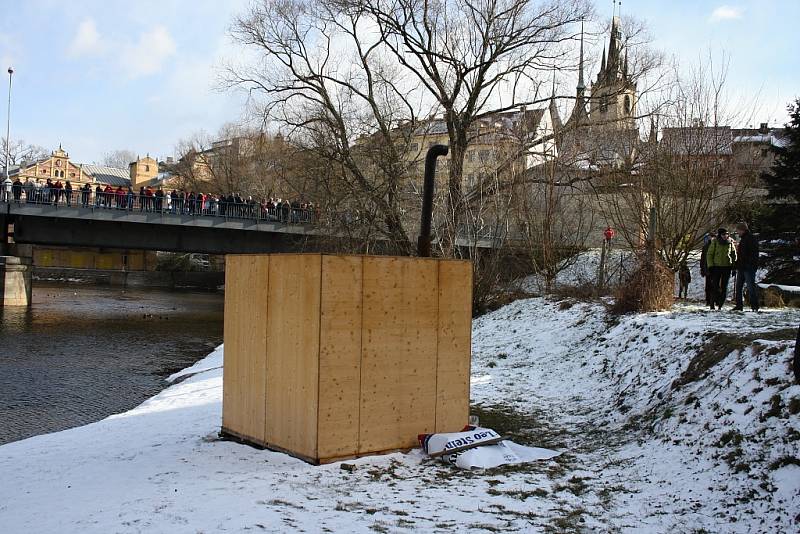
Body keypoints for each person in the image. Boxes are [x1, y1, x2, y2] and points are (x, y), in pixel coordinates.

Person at [706, 228, 737, 310]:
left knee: (724, 287)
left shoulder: (730, 243)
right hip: (716, 267)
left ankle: (720, 305)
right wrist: (711, 266)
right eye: (723, 234)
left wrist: (734, 267)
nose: (725, 236)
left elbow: (734, 255)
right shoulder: (715, 242)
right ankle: (712, 304)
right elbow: (709, 254)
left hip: (727, 267)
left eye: (727, 234)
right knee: (715, 286)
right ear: (720, 235)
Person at [733, 222, 759, 312]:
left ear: (742, 230)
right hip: (742, 267)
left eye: (738, 230)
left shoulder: (750, 239)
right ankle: (739, 305)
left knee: (751, 287)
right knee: (738, 287)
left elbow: (753, 254)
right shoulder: (744, 239)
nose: (737, 232)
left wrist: (748, 264)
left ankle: (754, 306)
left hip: (748, 268)